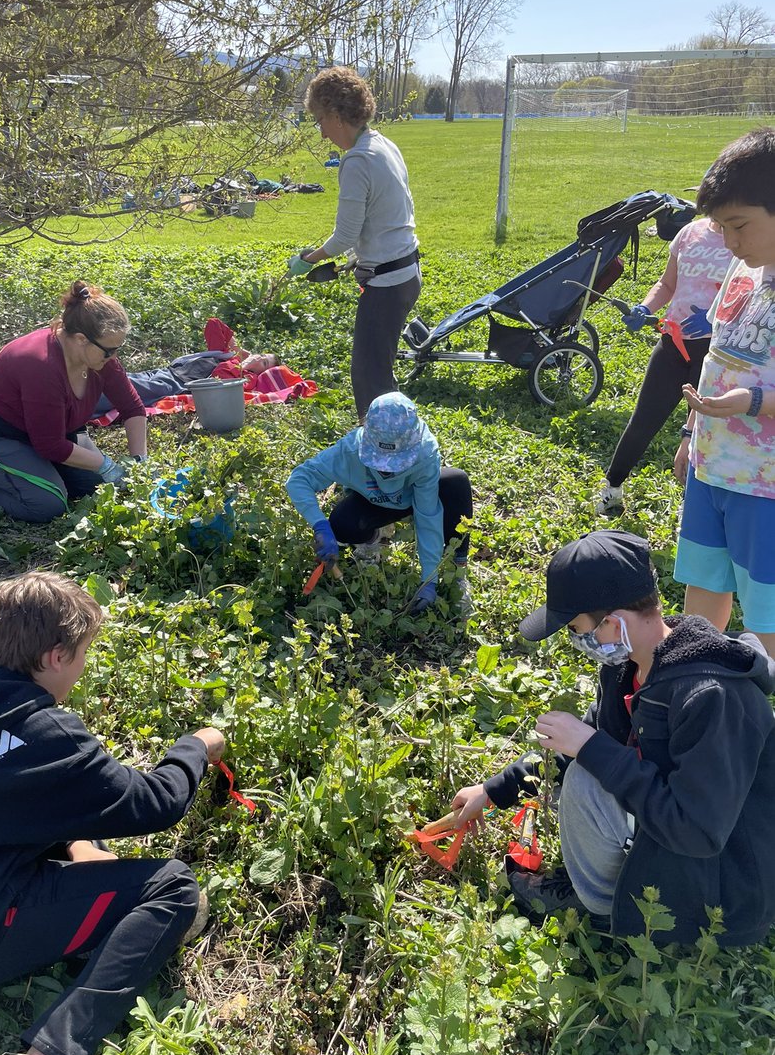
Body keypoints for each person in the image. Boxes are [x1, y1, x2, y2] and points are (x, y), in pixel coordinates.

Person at [0, 571, 225, 1055]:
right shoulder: (46, 733)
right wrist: (196, 746)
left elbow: (15, 795)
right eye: (83, 653)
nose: (83, 668)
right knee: (173, 889)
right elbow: (157, 802)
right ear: (56, 656)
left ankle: (82, 907)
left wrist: (81, 844)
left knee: (82, 819)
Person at [452, 530, 775, 944]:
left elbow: (698, 832)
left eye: (577, 627)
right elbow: (590, 740)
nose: (577, 640)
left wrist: (591, 748)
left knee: (587, 779)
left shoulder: (712, 697)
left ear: (613, 620)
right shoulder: (630, 664)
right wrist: (494, 790)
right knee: (586, 765)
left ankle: (604, 910)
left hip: (724, 896)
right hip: (683, 847)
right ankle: (620, 882)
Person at [672, 128, 775, 659]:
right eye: (721, 227)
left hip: (765, 486)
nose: (730, 242)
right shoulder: (745, 267)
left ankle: (759, 718)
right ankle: (693, 685)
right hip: (712, 467)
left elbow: (752, 389)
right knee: (704, 592)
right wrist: (692, 434)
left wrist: (754, 403)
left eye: (740, 226)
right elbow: (718, 355)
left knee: (766, 613)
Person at [0, 282, 148, 522]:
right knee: (47, 503)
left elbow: (132, 408)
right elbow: (50, 446)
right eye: (110, 350)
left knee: (96, 487)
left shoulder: (100, 358)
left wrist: (138, 460)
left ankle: (25, 472)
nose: (114, 357)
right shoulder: (41, 365)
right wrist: (105, 464)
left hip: (38, 434)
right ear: (81, 339)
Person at [288, 66, 421, 420]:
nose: (320, 131)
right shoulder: (382, 144)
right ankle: (393, 442)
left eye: (319, 119)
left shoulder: (358, 160)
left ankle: (384, 454)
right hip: (406, 271)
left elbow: (345, 234)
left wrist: (308, 258)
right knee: (379, 368)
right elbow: (378, 219)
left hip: (388, 283)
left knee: (369, 379)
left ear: (335, 114)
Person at [285, 391, 472, 614]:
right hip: (374, 502)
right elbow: (299, 479)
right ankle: (374, 537)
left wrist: (429, 579)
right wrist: (319, 525)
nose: (386, 470)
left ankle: (457, 569)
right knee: (341, 523)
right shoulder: (350, 450)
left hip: (413, 499)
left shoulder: (425, 453)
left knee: (456, 483)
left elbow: (428, 515)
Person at [595, 216, 731, 515]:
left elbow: (751, 296)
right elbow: (667, 283)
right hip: (672, 343)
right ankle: (612, 490)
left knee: (701, 432)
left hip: (714, 349)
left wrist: (712, 316)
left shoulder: (744, 238)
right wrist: (645, 308)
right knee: (643, 420)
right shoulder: (689, 233)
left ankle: (698, 513)